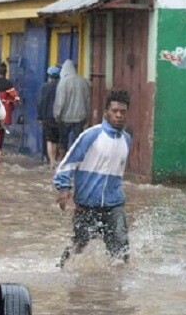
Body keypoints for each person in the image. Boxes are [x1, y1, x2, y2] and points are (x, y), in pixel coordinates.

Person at [54, 89, 132, 267]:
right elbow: (68, 162)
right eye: (115, 111)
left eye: (123, 112)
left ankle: (116, 290)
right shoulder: (91, 135)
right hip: (86, 205)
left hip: (114, 206)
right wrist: (63, 188)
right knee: (78, 247)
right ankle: (60, 269)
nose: (119, 115)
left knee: (122, 250)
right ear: (106, 112)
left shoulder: (126, 140)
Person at [53, 59, 91, 152]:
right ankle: (76, 161)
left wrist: (57, 115)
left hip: (65, 118)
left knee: (63, 142)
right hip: (80, 117)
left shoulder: (63, 83)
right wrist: (87, 115)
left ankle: (63, 161)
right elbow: (87, 100)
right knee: (78, 142)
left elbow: (60, 102)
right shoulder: (84, 81)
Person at [0, 61, 19, 155]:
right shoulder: (8, 83)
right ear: (5, 72)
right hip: (3, 110)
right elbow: (15, 97)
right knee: (0, 130)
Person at [37, 65, 62, 168]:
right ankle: (55, 160)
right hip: (57, 117)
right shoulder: (61, 87)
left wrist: (40, 117)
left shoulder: (44, 87)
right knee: (56, 140)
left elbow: (40, 102)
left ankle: (51, 162)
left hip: (46, 117)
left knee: (49, 140)